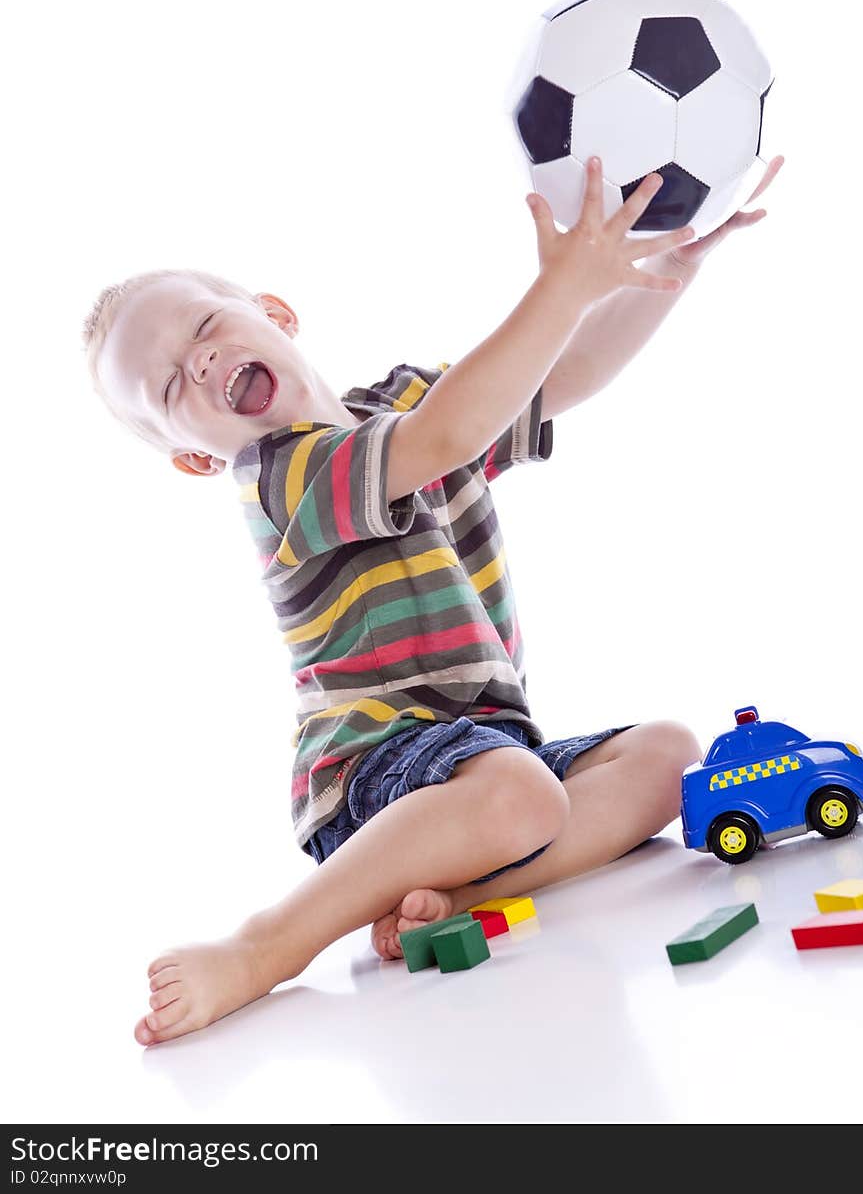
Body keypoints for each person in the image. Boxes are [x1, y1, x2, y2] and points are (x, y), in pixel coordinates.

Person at [82, 152, 783, 1046]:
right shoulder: (282, 477)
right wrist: (564, 284)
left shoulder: (408, 402)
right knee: (522, 796)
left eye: (207, 325)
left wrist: (669, 271)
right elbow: (449, 432)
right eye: (175, 382)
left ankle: (457, 895)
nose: (204, 356)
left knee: (668, 756)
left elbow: (556, 376)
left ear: (277, 315)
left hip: (487, 757)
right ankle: (268, 946)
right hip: (373, 778)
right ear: (191, 454)